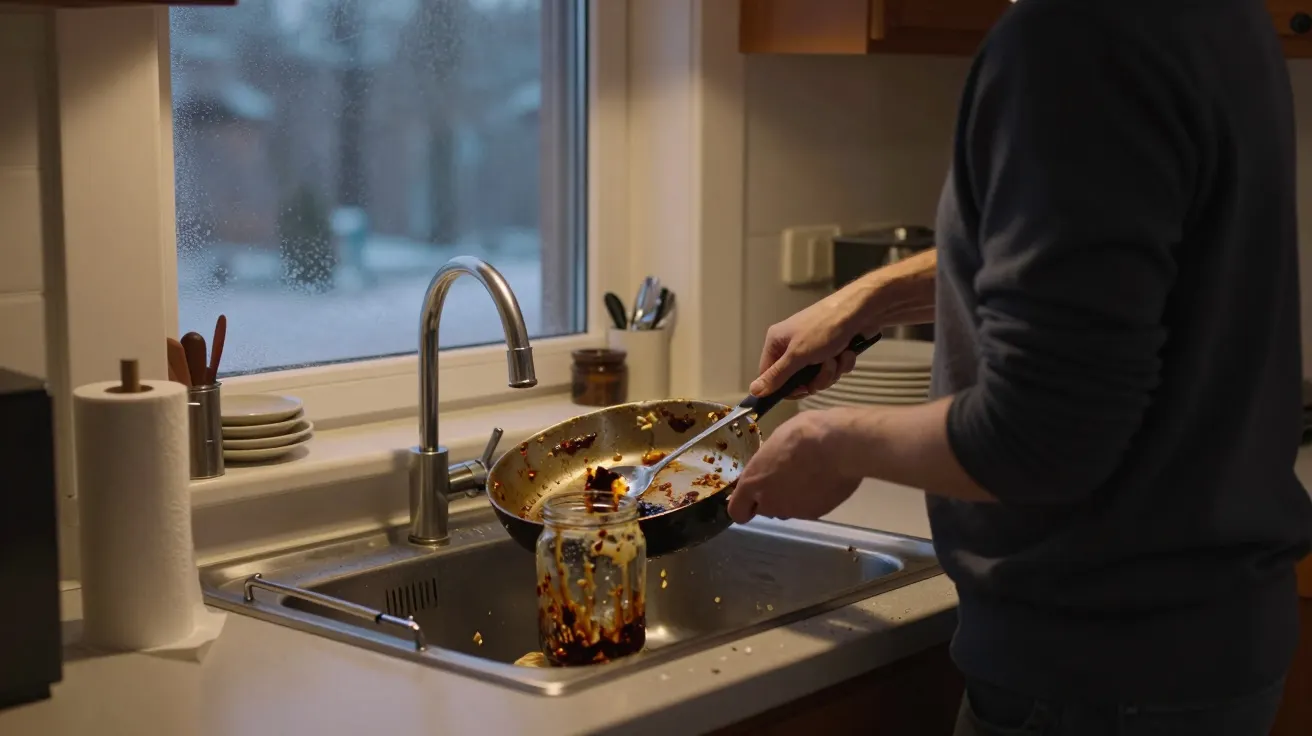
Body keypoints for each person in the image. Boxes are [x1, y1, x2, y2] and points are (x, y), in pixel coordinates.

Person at [725, 1, 1312, 734]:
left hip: (1096, 673)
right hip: (1198, 643)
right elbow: (1099, 265)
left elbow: (1041, 436)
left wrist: (832, 442)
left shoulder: (1072, 38)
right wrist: (874, 298)